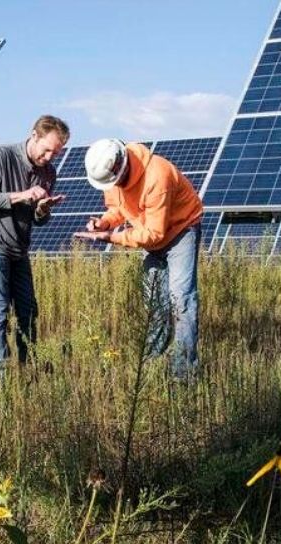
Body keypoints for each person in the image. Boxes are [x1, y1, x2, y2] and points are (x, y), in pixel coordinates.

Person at [74, 139, 203, 382]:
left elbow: (155, 234)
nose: (113, 186)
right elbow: (117, 208)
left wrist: (111, 237)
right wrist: (103, 223)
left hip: (181, 231)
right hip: (148, 233)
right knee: (155, 302)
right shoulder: (112, 178)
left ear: (121, 166)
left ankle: (183, 374)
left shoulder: (157, 176)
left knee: (181, 299)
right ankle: (152, 365)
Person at [0, 115, 69, 377]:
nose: (49, 157)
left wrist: (43, 210)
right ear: (33, 136)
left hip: (17, 247)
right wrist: (24, 194)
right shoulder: (0, 156)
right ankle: (0, 379)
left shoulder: (48, 173)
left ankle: (28, 370)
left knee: (28, 310)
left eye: (55, 153)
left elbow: (37, 220)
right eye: (46, 149)